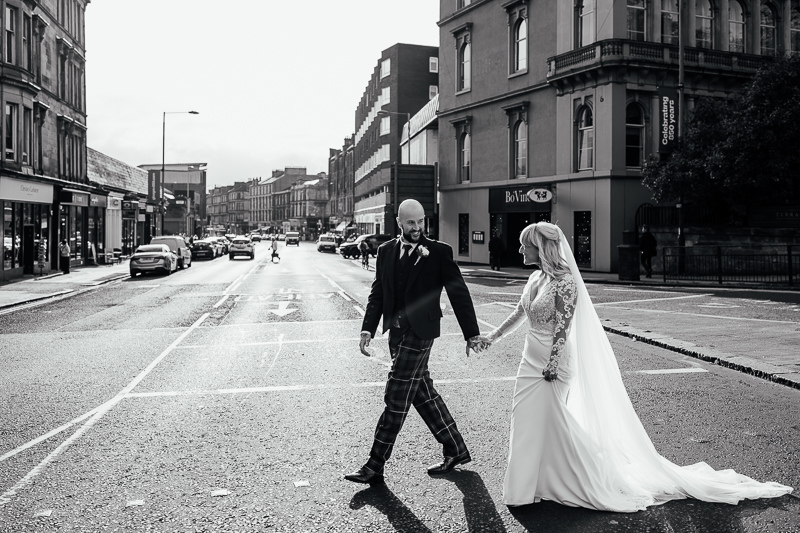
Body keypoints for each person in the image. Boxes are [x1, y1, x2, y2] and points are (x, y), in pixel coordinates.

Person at [484, 222, 792, 511]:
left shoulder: (565, 283)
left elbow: (563, 329)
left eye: (526, 246)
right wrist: (492, 337)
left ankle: (575, 477)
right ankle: (538, 483)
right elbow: (519, 312)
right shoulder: (536, 278)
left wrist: (552, 363)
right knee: (529, 421)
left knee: (550, 422)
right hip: (529, 359)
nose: (521, 251)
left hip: (552, 363)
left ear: (541, 248)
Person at [345, 199, 490, 485]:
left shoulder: (437, 252)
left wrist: (471, 333)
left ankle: (374, 464)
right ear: (399, 223)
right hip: (396, 333)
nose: (417, 227)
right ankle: (456, 449)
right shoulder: (385, 251)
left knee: (396, 395)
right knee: (423, 394)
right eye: (411, 222)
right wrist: (367, 329)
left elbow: (458, 293)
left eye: (421, 221)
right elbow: (378, 292)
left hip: (421, 332)